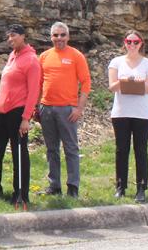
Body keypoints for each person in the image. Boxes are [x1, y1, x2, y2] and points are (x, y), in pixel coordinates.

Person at [0, 24, 41, 206]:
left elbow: (34, 91)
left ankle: (21, 193)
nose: (10, 39)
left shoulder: (31, 60)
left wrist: (26, 118)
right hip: (2, 111)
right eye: (8, 37)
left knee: (19, 153)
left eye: (14, 36)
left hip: (18, 112)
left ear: (23, 36)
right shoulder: (12, 56)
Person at [37, 22, 91, 198]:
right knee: (51, 149)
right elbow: (37, 83)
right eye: (55, 35)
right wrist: (36, 106)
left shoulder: (76, 56)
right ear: (51, 37)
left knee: (71, 149)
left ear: (68, 37)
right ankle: (54, 185)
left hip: (67, 109)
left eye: (62, 35)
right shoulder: (44, 56)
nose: (59, 38)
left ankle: (73, 187)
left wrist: (79, 108)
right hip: (46, 108)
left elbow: (86, 83)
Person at [108, 30, 148, 203]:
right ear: (124, 43)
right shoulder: (116, 62)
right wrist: (135, 84)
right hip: (121, 112)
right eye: (128, 41)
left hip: (142, 114)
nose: (132, 45)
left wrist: (127, 84)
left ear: (141, 43)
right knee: (121, 150)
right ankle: (120, 186)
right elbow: (112, 86)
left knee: (140, 150)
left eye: (135, 42)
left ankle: (141, 187)